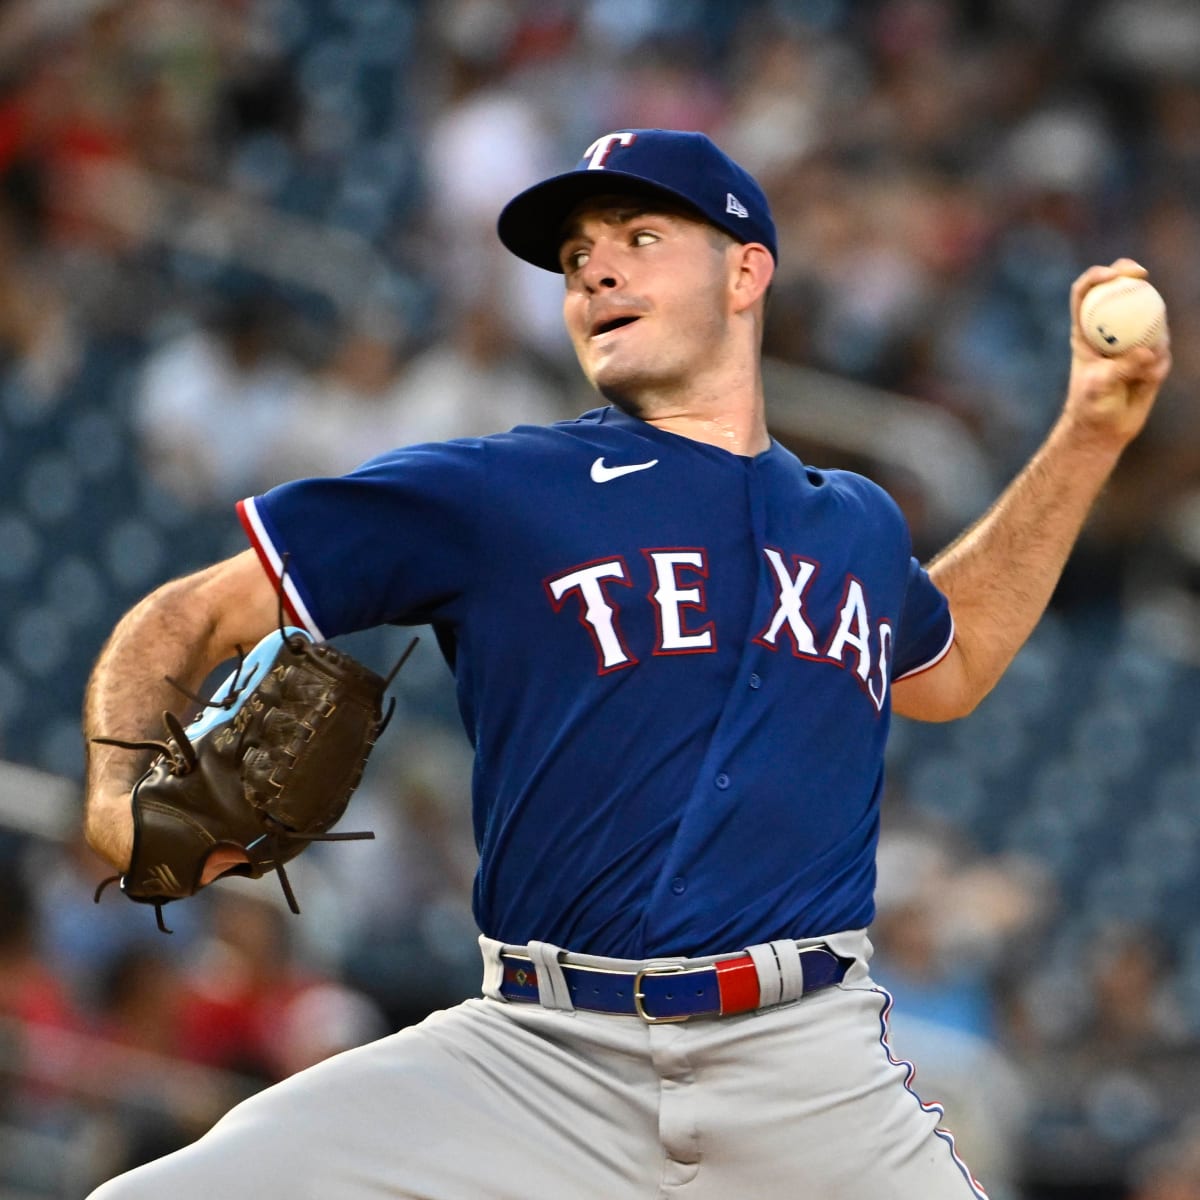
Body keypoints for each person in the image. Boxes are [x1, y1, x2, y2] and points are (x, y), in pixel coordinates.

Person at [81, 129, 1171, 1198]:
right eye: (574, 258)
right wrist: (116, 788)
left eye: (640, 236)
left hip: (808, 1070)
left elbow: (956, 661)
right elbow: (191, 614)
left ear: (748, 272)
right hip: (533, 1056)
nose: (596, 266)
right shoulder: (497, 492)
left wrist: (1087, 433)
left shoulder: (856, 525)